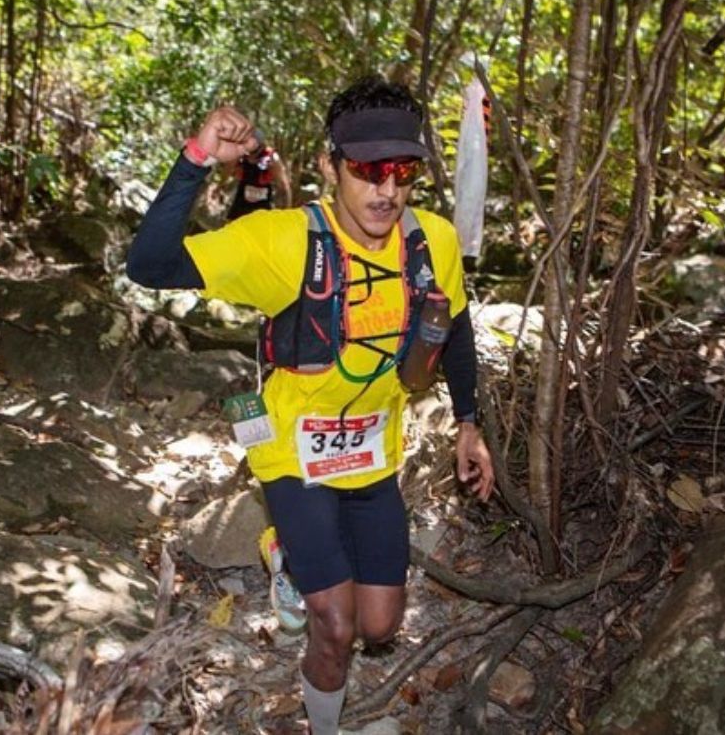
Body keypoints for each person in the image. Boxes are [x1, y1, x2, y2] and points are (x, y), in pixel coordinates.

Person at [127, 75, 495, 735]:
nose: (386, 190)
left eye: (403, 170)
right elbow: (149, 264)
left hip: (374, 454)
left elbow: (456, 326)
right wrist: (197, 158)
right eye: (367, 170)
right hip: (292, 453)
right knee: (335, 627)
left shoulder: (432, 240)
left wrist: (469, 423)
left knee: (381, 626)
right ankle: (323, 719)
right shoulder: (282, 242)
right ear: (330, 167)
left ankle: (288, 555)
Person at [222, 133, 293, 220]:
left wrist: (287, 211)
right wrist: (220, 185)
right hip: (242, 200)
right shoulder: (241, 154)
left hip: (262, 204)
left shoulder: (272, 158)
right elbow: (229, 168)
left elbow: (284, 185)